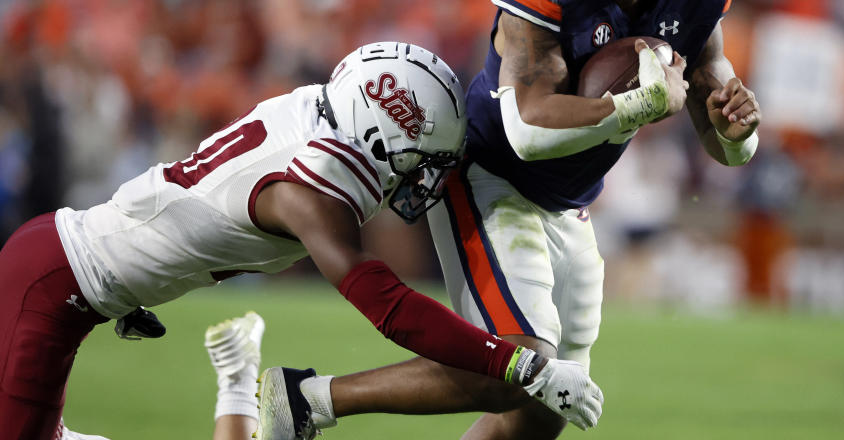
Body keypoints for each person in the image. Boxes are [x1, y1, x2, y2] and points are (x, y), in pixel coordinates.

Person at [260, 0, 761, 440]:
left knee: (540, 413)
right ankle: (308, 400)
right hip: (491, 178)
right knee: (521, 368)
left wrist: (736, 132)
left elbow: (722, 132)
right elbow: (527, 128)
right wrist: (630, 107)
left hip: (570, 202)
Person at [0, 42, 603, 440]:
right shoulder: (308, 191)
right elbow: (387, 305)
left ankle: (238, 382)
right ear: (375, 137)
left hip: (67, 274)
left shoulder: (318, 111)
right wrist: (517, 363)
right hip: (52, 288)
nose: (421, 178)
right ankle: (239, 385)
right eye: (419, 161)